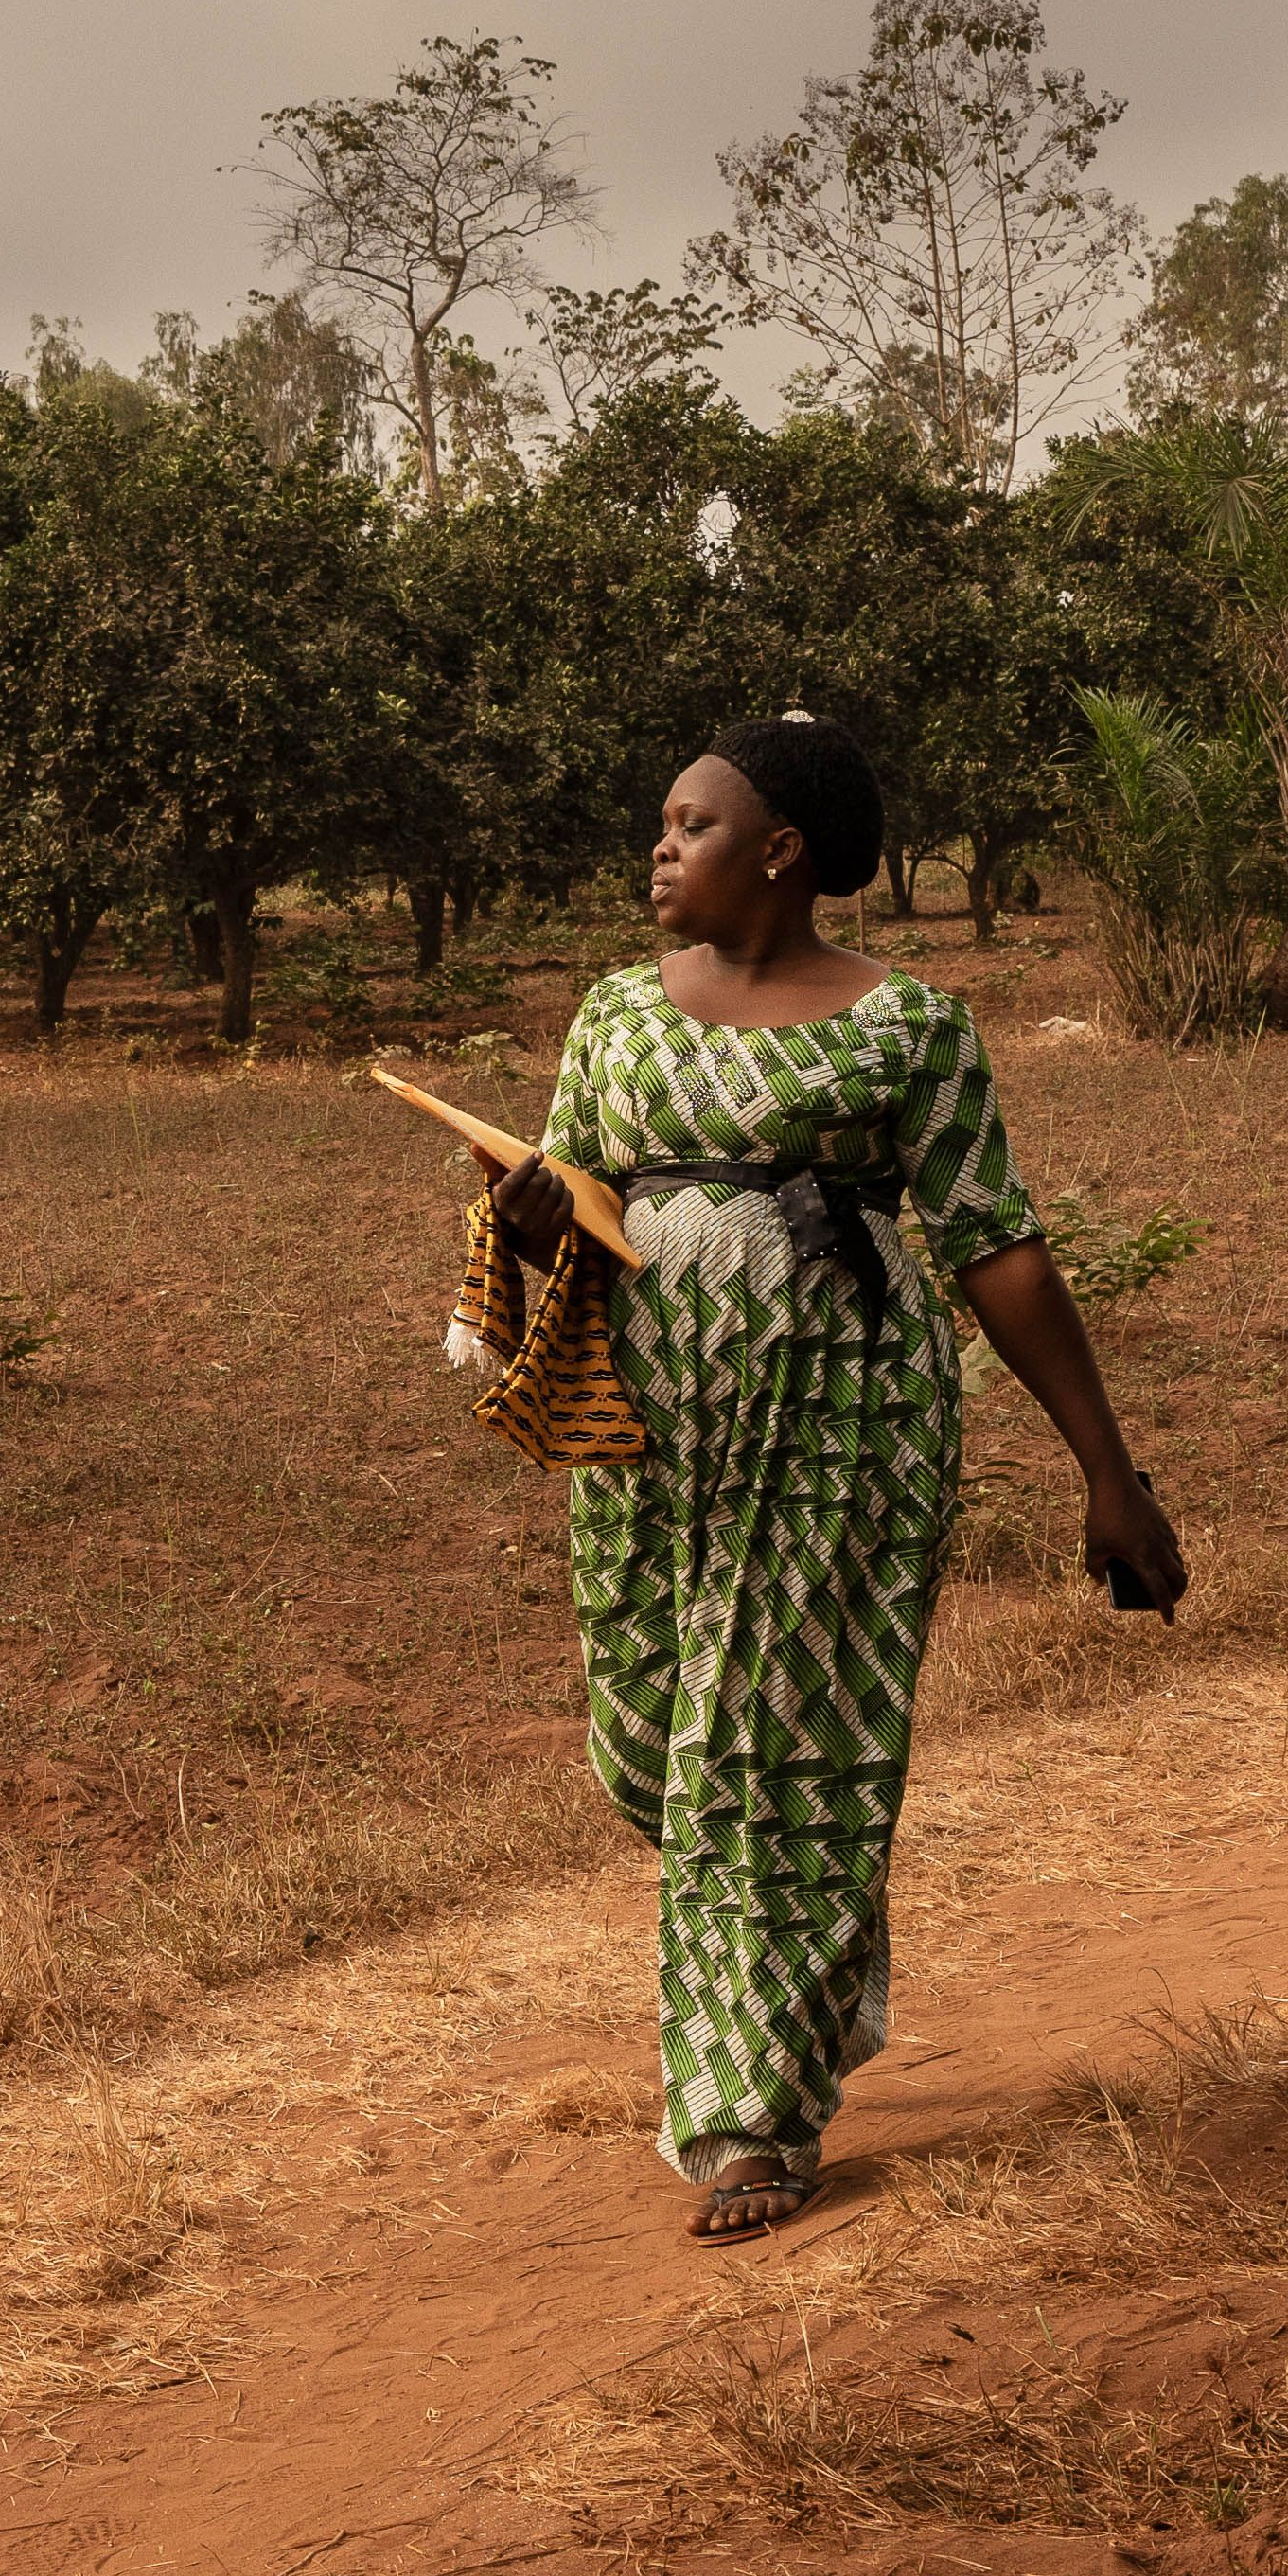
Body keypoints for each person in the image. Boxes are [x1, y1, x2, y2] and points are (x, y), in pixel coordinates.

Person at [487, 716, 1184, 2243]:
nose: (658, 848)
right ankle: (800, 1981)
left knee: (763, 1750)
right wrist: (532, 1211)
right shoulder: (612, 1017)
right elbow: (573, 1206)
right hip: (645, 1443)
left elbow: (995, 1249)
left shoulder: (908, 1031)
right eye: (661, 824)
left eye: (691, 824)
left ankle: (751, 2119)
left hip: (842, 1429)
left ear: (779, 852)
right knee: (654, 1736)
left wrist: (1108, 1475)